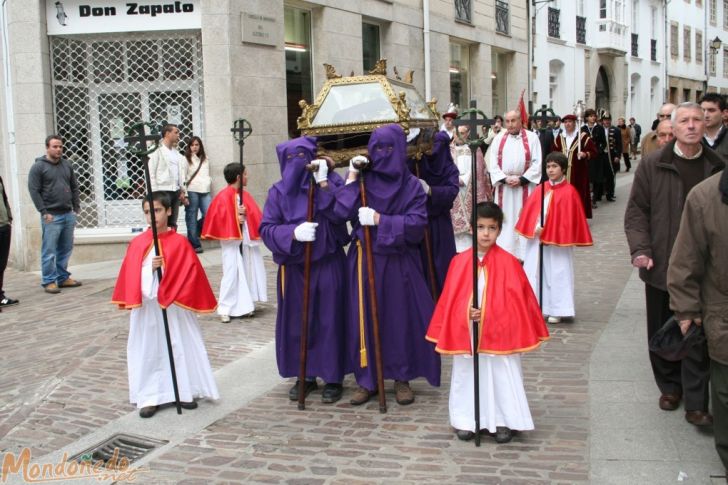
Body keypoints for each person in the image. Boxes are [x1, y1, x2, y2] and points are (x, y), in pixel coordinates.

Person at [624, 102, 724, 426]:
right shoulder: (654, 164)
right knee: (662, 326)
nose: (693, 125)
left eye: (698, 119)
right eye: (685, 121)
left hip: (703, 264)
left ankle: (696, 402)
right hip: (662, 259)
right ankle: (669, 386)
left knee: (696, 329)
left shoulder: (717, 166)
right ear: (672, 126)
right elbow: (637, 211)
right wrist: (641, 249)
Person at [333, 124, 441, 406]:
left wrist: (381, 220)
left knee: (399, 318)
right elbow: (340, 211)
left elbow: (417, 225)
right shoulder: (363, 181)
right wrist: (352, 176)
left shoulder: (411, 186)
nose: (382, 154)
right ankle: (366, 379)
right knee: (364, 317)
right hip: (364, 257)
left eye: (389, 148)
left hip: (398, 261)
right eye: (377, 148)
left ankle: (401, 377)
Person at [426, 202, 549, 443]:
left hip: (500, 335)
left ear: (499, 230)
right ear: (472, 228)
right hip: (469, 337)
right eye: (480, 227)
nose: (485, 234)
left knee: (502, 374)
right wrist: (466, 313)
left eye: (491, 228)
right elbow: (450, 301)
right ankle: (467, 419)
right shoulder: (459, 262)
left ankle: (504, 420)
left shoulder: (511, 264)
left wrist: (491, 313)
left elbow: (518, 304)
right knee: (467, 373)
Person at [111, 191, 219, 418]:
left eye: (157, 210)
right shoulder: (138, 243)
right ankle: (151, 395)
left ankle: (183, 390)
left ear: (169, 211)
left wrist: (169, 272)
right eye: (147, 212)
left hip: (175, 309)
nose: (152, 216)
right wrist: (149, 269)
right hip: (149, 309)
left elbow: (191, 275)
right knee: (150, 349)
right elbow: (131, 278)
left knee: (179, 346)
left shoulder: (180, 243)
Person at [260, 137, 349, 404]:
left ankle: (333, 375)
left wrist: (323, 187)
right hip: (296, 267)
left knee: (330, 319)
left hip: (328, 261)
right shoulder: (278, 192)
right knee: (300, 321)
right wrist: (292, 233)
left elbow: (343, 213)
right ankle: (305, 373)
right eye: (291, 160)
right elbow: (266, 228)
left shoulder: (331, 182)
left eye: (303, 158)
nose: (297, 165)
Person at [667, 168, 728, 477]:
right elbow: (686, 258)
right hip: (722, 311)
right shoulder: (706, 196)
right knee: (725, 392)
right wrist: (686, 310)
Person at [516, 153, 593, 324]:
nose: (550, 170)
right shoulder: (540, 189)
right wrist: (535, 227)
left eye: (554, 167)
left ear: (563, 169)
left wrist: (551, 230)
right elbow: (528, 214)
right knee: (534, 272)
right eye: (548, 166)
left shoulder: (570, 192)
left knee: (558, 272)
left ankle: (558, 309)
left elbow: (569, 221)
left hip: (558, 244)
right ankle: (535, 306)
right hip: (537, 241)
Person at [201, 163, 256, 323]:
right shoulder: (224, 196)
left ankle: (244, 306)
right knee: (231, 274)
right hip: (230, 243)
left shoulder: (243, 195)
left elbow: (252, 215)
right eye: (245, 174)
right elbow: (221, 219)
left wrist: (244, 219)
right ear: (238, 177)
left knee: (244, 272)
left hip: (243, 242)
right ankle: (224, 307)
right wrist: (235, 219)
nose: (248, 177)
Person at [28, 135, 81, 294]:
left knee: (65, 249)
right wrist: (43, 212)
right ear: (47, 148)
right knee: (49, 250)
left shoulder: (67, 165)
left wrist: (76, 207)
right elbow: (34, 191)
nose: (58, 149)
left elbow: (74, 187)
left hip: (67, 213)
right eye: (55, 147)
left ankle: (62, 277)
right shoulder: (38, 167)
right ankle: (49, 281)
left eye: (60, 147)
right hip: (51, 215)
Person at [409, 130, 459, 293]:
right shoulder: (416, 161)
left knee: (443, 266)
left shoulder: (449, 168)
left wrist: (430, 190)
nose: (434, 152)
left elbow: (452, 191)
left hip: (440, 224)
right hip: (418, 222)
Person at [488, 110, 542, 259]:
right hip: (504, 189)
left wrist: (523, 179)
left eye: (513, 121)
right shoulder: (498, 139)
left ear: (520, 121)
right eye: (508, 121)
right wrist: (504, 179)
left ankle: (525, 254)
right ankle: (506, 252)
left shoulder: (532, 138)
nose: (510, 124)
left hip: (525, 186)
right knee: (506, 220)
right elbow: (492, 163)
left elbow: (537, 162)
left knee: (524, 216)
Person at [451, 125, 492, 252]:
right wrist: (454, 179)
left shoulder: (475, 149)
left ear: (468, 133)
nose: (459, 136)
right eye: (457, 133)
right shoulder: (448, 150)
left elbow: (479, 170)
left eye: (462, 133)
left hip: (471, 187)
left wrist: (464, 179)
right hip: (454, 187)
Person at [551, 114, 597, 218]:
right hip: (562, 173)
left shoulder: (583, 137)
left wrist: (585, 154)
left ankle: (577, 216)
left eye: (570, 122)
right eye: (565, 122)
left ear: (575, 123)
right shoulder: (559, 138)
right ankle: (563, 215)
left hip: (578, 173)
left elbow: (593, 151)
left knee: (577, 194)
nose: (567, 124)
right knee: (562, 194)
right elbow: (553, 152)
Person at [148, 124, 188, 229]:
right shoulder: (156, 149)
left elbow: (180, 173)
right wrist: (154, 193)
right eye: (176, 132)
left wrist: (183, 190)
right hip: (162, 190)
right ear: (167, 133)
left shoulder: (176, 152)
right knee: (160, 221)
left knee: (172, 222)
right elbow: (150, 172)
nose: (178, 135)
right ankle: (160, 244)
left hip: (175, 190)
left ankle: (172, 244)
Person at [183, 136, 212, 253]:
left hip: (205, 190)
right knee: (192, 216)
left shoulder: (205, 159)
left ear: (200, 146)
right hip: (192, 190)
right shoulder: (186, 159)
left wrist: (209, 181)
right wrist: (184, 194)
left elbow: (206, 174)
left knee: (209, 215)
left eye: (197, 145)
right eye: (192, 145)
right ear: (189, 147)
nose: (194, 147)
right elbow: (183, 178)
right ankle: (194, 243)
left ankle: (196, 230)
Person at [582, 109, 608, 208]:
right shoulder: (583, 129)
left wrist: (599, 150)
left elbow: (604, 142)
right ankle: (587, 197)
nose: (593, 118)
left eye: (594, 116)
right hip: (586, 156)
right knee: (588, 178)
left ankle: (594, 199)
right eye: (590, 116)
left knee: (596, 178)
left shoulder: (599, 128)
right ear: (586, 118)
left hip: (597, 157)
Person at [0, 175, 18, 309]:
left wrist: (9, 216)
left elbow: (4, 198)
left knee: (1, 264)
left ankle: (0, 296)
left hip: (4, 225)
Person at [700, 92, 728, 161]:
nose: (705, 115)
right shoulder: (693, 138)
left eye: (711, 110)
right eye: (702, 110)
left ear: (724, 113)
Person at [602, 113, 621, 202]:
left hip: (612, 156)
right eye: (605, 120)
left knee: (611, 175)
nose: (607, 121)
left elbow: (619, 144)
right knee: (602, 175)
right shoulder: (600, 129)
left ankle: (610, 194)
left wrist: (618, 156)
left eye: (608, 120)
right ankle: (602, 192)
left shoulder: (616, 130)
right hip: (602, 156)